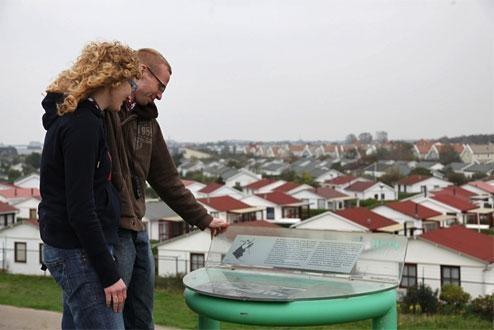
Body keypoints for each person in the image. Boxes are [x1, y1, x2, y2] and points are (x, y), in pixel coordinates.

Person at [105, 48, 228, 329]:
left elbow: (168, 181)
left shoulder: (148, 123)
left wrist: (205, 219)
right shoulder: (104, 111)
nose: (161, 95)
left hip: (137, 230)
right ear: (141, 71)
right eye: (160, 86)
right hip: (111, 230)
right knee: (106, 316)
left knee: (141, 317)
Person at [38, 41, 141, 329]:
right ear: (114, 80)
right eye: (130, 83)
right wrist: (109, 275)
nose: (131, 92)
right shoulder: (82, 124)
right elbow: (81, 207)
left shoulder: (83, 118)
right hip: (78, 253)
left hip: (75, 250)